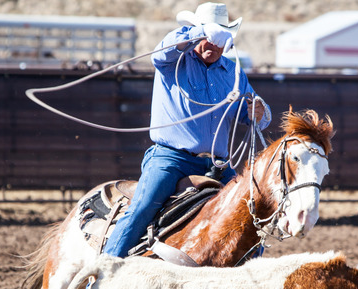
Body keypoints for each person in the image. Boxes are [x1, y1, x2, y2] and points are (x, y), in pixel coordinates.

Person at [104, 2, 272, 258]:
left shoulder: (233, 73)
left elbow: (257, 114)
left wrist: (259, 113)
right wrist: (201, 32)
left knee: (248, 213)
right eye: (209, 38)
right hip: (171, 158)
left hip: (218, 164)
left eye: (219, 40)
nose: (213, 46)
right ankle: (105, 267)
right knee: (144, 207)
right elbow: (160, 52)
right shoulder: (173, 61)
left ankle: (252, 274)